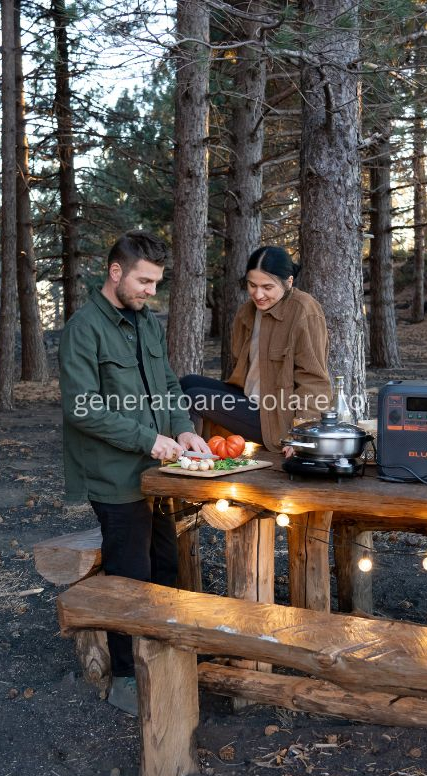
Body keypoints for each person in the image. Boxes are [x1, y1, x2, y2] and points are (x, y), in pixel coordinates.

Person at [58, 230, 210, 716]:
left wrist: (182, 429)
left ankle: (163, 653)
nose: (151, 291)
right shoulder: (83, 329)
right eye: (144, 281)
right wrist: (147, 438)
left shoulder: (147, 323)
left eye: (156, 282)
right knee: (130, 579)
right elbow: (82, 408)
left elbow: (168, 384)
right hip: (114, 476)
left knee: (166, 567)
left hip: (159, 471)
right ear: (115, 272)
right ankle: (126, 676)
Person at [181, 246, 332, 453]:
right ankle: (183, 446)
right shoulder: (248, 312)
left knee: (195, 398)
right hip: (249, 399)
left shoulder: (304, 311)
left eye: (267, 287)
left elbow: (314, 380)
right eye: (252, 285)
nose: (258, 294)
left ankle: (193, 459)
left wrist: (304, 435)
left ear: (289, 282)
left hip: (276, 418)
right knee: (187, 383)